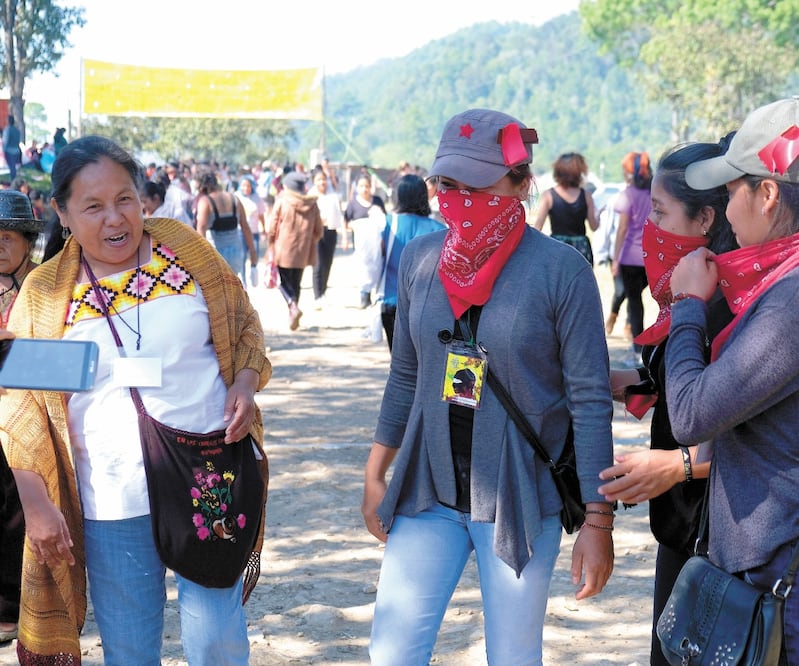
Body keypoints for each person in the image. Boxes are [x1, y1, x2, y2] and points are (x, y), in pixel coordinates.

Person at [0, 135, 271, 664]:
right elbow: (20, 406)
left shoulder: (187, 253)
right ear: (62, 212)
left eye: (125, 198)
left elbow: (243, 330)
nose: (115, 218)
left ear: (143, 196)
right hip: (110, 496)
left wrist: (243, 383)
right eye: (93, 206)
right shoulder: (47, 292)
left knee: (216, 637)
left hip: (206, 477)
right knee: (128, 649)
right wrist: (36, 504)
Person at [361, 108, 615, 665]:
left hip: (519, 500)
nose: (459, 198)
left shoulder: (561, 272)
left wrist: (598, 521)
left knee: (513, 655)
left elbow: (591, 402)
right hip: (427, 492)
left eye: (477, 185)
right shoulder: (420, 260)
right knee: (392, 651)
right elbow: (405, 373)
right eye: (448, 185)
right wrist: (375, 471)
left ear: (522, 184)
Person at [647, 97, 799, 664]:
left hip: (780, 588)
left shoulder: (788, 304)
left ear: (767, 194)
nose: (727, 212)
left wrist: (688, 304)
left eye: (733, 191)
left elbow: (691, 415)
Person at [595, 139, 737, 666]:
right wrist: (625, 379)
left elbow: (732, 421)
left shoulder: (723, 304)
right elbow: (678, 377)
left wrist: (675, 467)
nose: (649, 228)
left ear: (705, 219)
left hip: (717, 534)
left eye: (659, 212)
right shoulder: (691, 296)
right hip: (681, 524)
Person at [0, 191, 46, 647]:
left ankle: (14, 609)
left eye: (7, 236)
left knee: (20, 512)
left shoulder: (45, 285)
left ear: (27, 241)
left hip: (27, 417)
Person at [378, 173, 444, 349]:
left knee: (399, 363)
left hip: (392, 301)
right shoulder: (439, 230)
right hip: (427, 307)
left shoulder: (387, 224)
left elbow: (375, 259)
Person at [267, 171, 323, 330]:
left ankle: (292, 305)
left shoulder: (282, 201)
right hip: (303, 250)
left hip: (283, 249)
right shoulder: (312, 204)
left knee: (281, 281)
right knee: (296, 282)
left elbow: (273, 226)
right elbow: (319, 230)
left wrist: (271, 243)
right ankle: (293, 314)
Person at [612, 151, 652, 359]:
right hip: (650, 256)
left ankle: (638, 348)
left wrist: (615, 258)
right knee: (641, 300)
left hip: (629, 257)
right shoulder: (656, 192)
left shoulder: (628, 194)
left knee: (634, 301)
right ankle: (641, 343)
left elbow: (622, 229)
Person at [533, 152, 599, 264]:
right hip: (580, 248)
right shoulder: (586, 195)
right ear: (579, 173)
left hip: (557, 246)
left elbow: (537, 228)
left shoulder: (548, 195)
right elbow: (594, 226)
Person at [195, 169, 257, 284]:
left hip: (216, 256)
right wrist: (253, 255)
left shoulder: (205, 202)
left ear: (202, 187)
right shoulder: (234, 199)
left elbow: (201, 229)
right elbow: (246, 228)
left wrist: (201, 258)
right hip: (235, 255)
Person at [344, 171, 386, 308]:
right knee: (363, 268)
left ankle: (375, 296)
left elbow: (385, 220)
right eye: (361, 186)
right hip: (361, 244)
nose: (364, 189)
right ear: (357, 187)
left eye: (366, 186)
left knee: (377, 266)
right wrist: (356, 227)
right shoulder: (353, 204)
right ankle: (364, 296)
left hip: (377, 243)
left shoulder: (377, 202)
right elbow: (346, 222)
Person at [308, 165, 344, 308]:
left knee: (327, 263)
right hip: (315, 233)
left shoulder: (333, 196)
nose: (322, 182)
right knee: (317, 264)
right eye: (318, 180)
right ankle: (317, 296)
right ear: (314, 181)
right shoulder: (310, 196)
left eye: (324, 179)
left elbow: (339, 214)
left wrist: (344, 235)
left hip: (330, 231)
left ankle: (323, 292)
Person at [235, 175, 266, 283]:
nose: (246, 188)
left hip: (254, 231)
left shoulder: (257, 199)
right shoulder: (236, 197)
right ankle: (243, 279)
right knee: (242, 255)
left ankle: (253, 270)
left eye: (248, 186)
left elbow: (261, 216)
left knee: (255, 252)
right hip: (240, 231)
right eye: (243, 186)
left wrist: (263, 229)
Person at [2, 117, 21, 181]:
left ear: (8, 121)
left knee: (12, 167)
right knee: (13, 167)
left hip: (9, 151)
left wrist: (3, 150)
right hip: (16, 150)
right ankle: (14, 180)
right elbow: (18, 141)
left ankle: (14, 181)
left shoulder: (7, 129)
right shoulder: (17, 130)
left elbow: (5, 141)